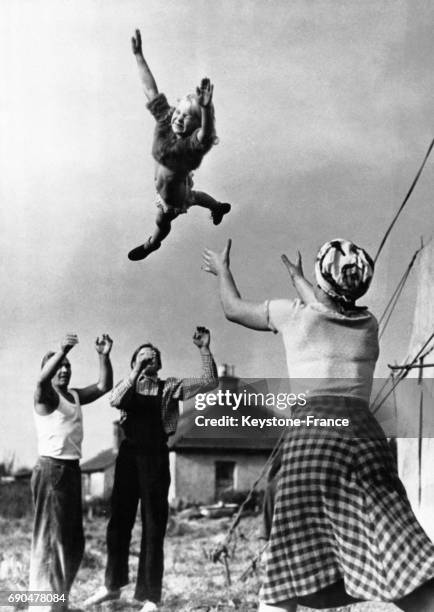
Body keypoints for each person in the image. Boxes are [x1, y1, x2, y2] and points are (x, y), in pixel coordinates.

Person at [202, 238, 434, 612]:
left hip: (314, 437)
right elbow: (330, 303)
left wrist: (223, 269)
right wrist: (298, 278)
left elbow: (233, 309)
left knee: (287, 564)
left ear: (319, 281)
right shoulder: (367, 324)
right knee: (394, 549)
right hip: (366, 440)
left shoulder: (294, 316)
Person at [85, 327, 218, 612]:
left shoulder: (169, 387)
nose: (149, 359)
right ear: (134, 363)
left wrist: (204, 349)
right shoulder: (127, 385)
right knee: (119, 523)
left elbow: (209, 383)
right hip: (129, 458)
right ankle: (111, 586)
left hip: (157, 457)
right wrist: (135, 374)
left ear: (160, 364)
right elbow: (114, 399)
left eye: (154, 357)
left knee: (153, 525)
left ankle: (149, 597)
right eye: (143, 357)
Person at [127, 29, 231, 261]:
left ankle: (153, 244)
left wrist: (205, 110)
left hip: (171, 198)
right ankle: (217, 207)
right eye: (179, 112)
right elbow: (150, 90)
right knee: (195, 197)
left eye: (187, 118)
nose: (179, 118)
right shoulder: (166, 119)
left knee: (162, 222)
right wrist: (138, 56)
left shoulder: (192, 144)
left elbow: (206, 136)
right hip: (177, 187)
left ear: (195, 126)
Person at [30, 333, 113, 612]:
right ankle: (44, 607)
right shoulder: (45, 397)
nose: (64, 369)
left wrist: (104, 355)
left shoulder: (74, 396)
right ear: (51, 368)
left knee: (73, 543)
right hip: (51, 470)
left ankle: (58, 602)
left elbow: (103, 386)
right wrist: (64, 349)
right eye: (59, 365)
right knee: (52, 543)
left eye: (68, 366)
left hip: (71, 471)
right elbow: (41, 380)